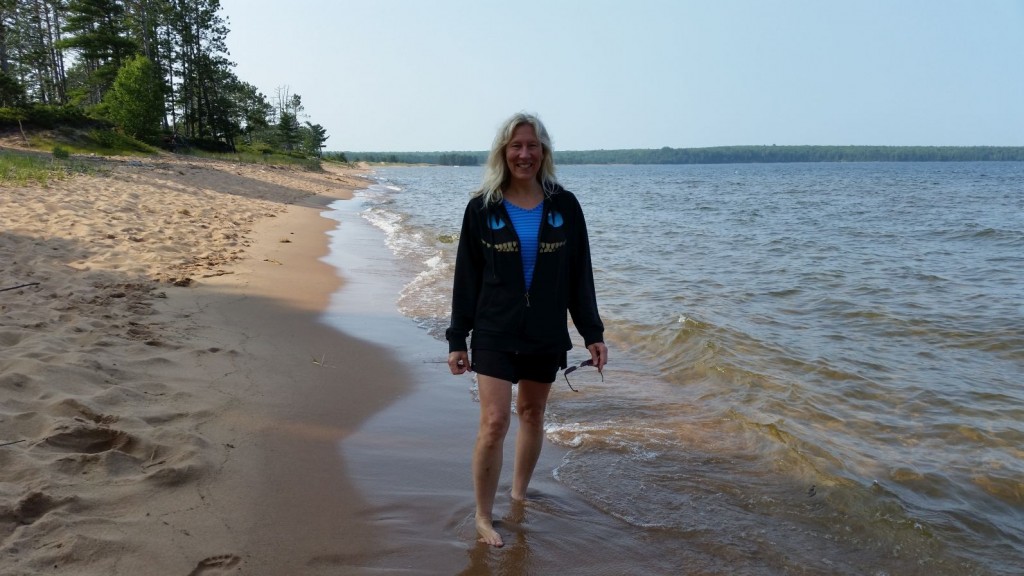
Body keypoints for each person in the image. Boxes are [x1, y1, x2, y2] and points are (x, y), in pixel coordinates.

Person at [446, 112, 607, 547]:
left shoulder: (564, 205)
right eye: (516, 146)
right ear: (503, 152)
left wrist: (592, 331)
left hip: (544, 331)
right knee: (495, 421)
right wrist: (457, 337)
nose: (524, 154)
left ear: (544, 153)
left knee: (532, 414)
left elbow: (579, 275)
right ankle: (483, 515)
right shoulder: (483, 207)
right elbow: (467, 277)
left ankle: (518, 493)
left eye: (532, 146)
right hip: (495, 329)